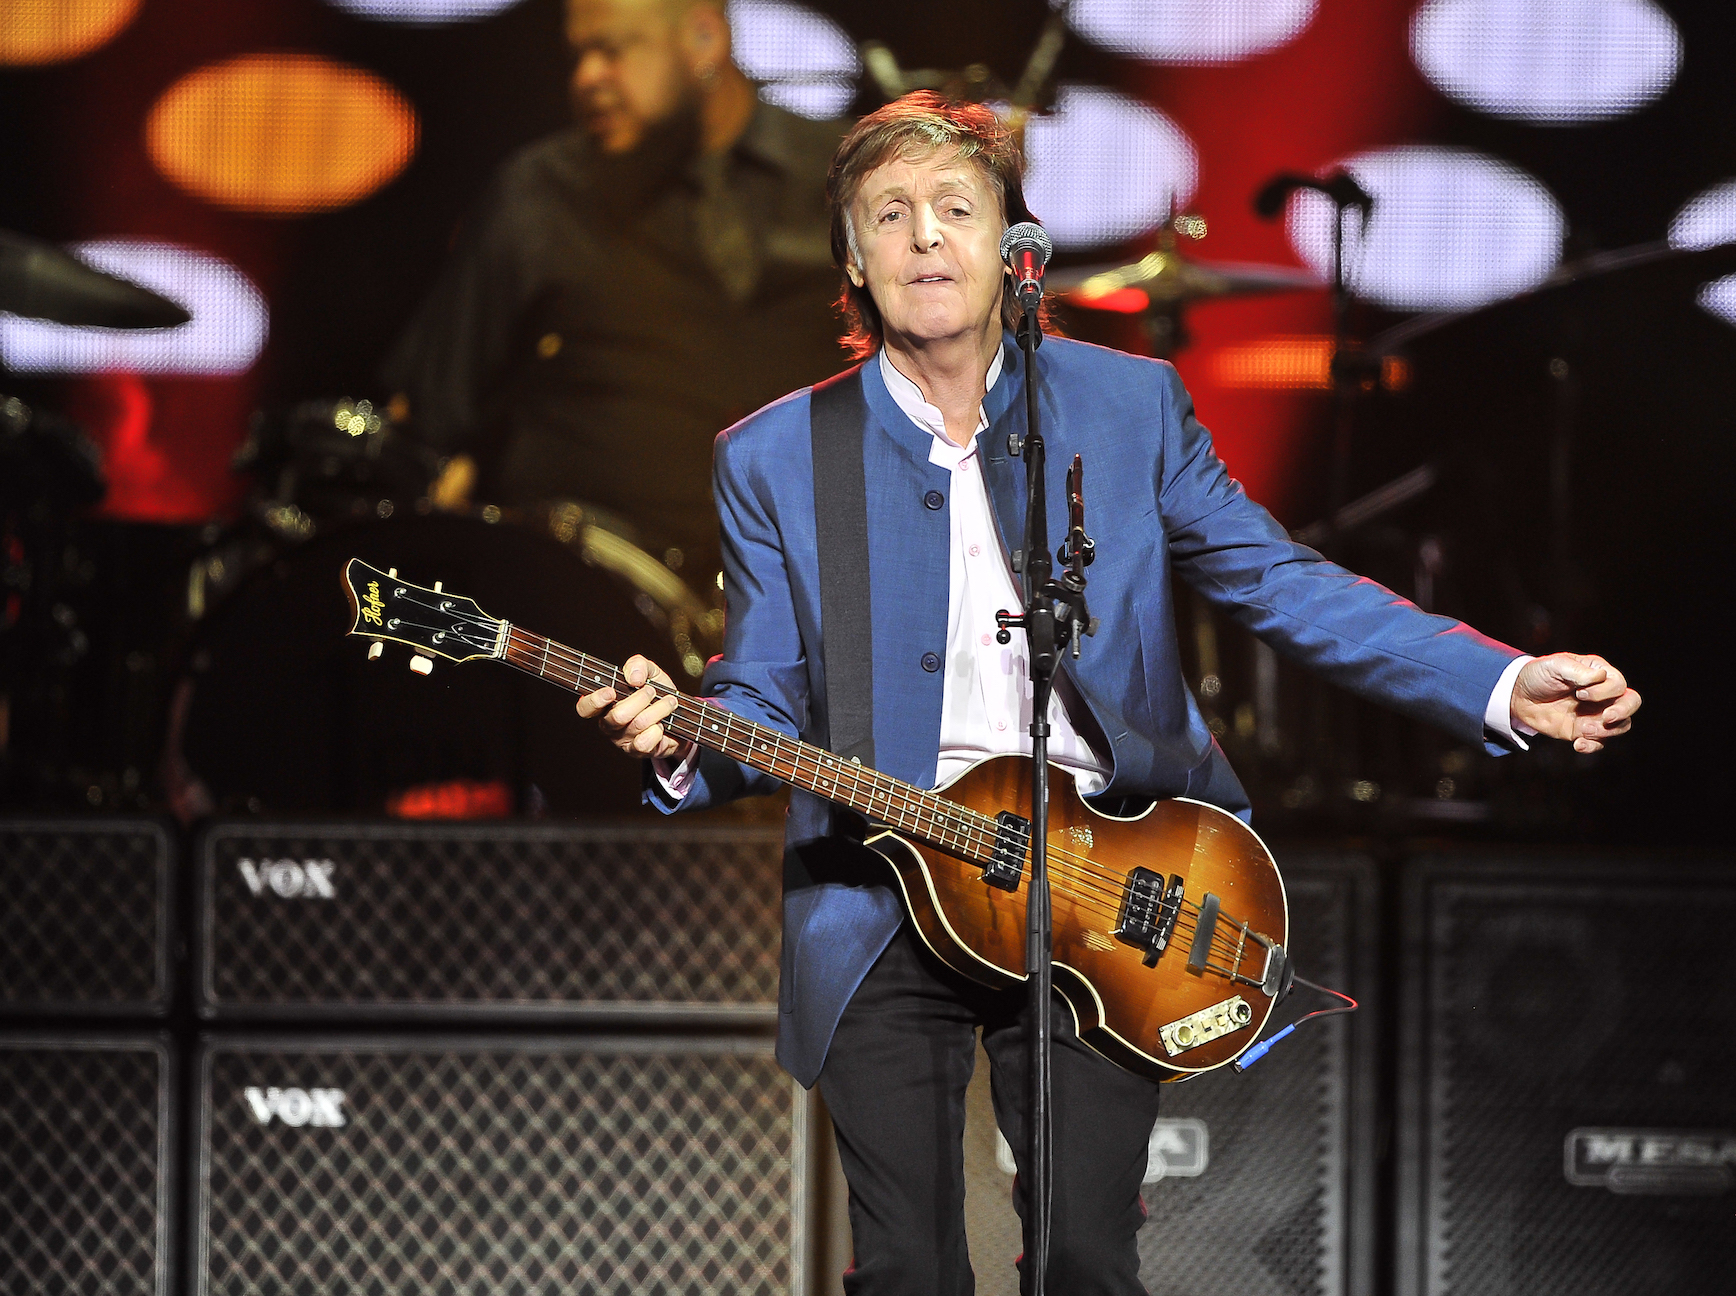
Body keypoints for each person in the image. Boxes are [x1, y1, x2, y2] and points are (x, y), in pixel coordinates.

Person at [579, 93, 1641, 1295]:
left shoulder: (1125, 411)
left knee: (1084, 1261)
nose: (925, 237)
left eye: (955, 209)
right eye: (889, 215)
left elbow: (1280, 583)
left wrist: (1497, 680)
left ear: (1010, 247)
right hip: (878, 890)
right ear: (851, 261)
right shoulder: (772, 455)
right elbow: (760, 696)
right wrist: (682, 739)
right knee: (907, 1271)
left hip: (1098, 887)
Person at [381, 0, 850, 580]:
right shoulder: (540, 194)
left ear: (704, 39)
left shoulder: (855, 181)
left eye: (612, 50)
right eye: (578, 56)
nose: (585, 78)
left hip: (817, 593)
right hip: (569, 591)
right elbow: (424, 420)